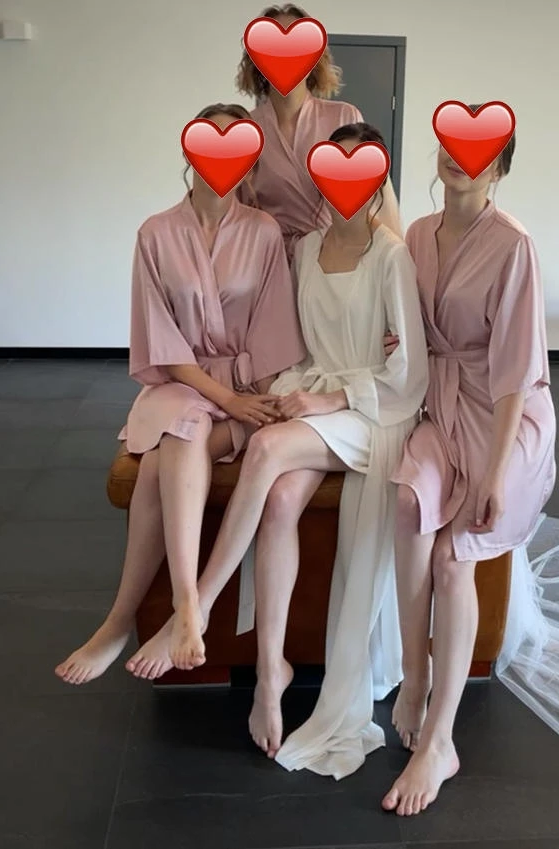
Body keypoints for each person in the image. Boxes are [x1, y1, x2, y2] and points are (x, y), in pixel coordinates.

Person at [132, 123, 429, 770]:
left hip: (372, 411)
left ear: (378, 180)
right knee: (279, 500)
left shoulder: (392, 257)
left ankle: (195, 609)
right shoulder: (306, 248)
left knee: (266, 450)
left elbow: (409, 374)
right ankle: (272, 673)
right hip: (315, 394)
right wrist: (289, 392)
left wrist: (330, 399)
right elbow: (294, 345)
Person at [54, 103, 306, 684]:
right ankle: (186, 604)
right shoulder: (156, 232)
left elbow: (272, 330)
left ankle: (122, 621)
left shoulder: (264, 231)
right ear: (189, 153)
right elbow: (163, 344)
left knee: (159, 462)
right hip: (183, 382)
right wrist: (227, 401)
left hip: (246, 381)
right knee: (183, 423)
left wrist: (254, 404)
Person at [381, 114, 557, 816]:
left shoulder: (514, 244)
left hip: (505, 416)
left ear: (499, 169)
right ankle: (414, 673)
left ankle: (441, 740)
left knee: (454, 557)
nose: (460, 160)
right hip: (442, 406)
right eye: (452, 147)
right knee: (407, 503)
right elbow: (407, 327)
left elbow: (518, 370)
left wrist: (492, 473)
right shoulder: (417, 234)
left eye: (478, 153)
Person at [237, 3, 403, 262]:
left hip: (333, 257)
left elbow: (376, 198)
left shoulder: (344, 117)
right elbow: (236, 212)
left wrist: (393, 258)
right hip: (270, 260)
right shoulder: (246, 129)